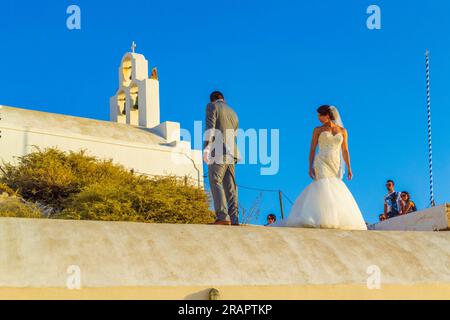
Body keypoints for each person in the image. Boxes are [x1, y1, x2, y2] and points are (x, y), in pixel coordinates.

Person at [273, 105, 367, 230]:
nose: (318, 118)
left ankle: (335, 218)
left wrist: (349, 168)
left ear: (327, 115)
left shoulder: (343, 131)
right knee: (324, 186)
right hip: (321, 161)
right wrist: (310, 165)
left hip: (335, 162)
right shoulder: (317, 130)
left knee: (334, 187)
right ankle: (322, 219)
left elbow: (345, 150)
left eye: (319, 115)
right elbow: (312, 149)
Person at [203, 91, 239, 226]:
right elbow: (234, 133)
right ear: (223, 98)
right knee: (231, 187)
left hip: (218, 150)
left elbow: (210, 128)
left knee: (215, 180)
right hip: (232, 153)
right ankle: (234, 219)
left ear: (213, 100)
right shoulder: (233, 113)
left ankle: (222, 216)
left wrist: (207, 148)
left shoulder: (212, 106)